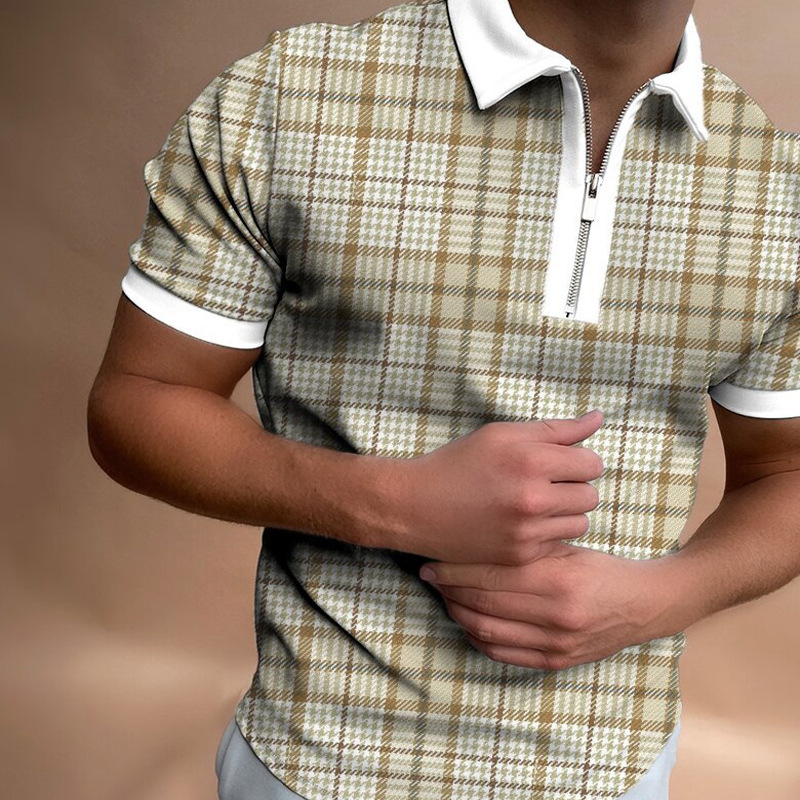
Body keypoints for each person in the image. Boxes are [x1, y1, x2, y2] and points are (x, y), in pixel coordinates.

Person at [87, 0, 800, 798]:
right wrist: (393, 504)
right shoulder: (292, 95)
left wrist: (662, 599)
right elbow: (141, 399)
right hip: (315, 760)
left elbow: (787, 474)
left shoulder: (777, 188)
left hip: (611, 772)